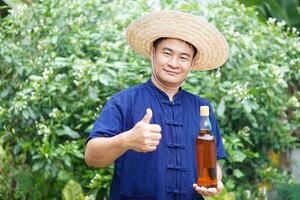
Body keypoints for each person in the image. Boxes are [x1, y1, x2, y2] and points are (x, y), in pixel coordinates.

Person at [85, 10, 229, 200]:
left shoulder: (202, 108)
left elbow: (213, 162)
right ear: (153, 52)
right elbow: (91, 156)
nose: (174, 63)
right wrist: (127, 140)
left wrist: (214, 181)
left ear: (192, 62)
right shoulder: (123, 102)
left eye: (184, 57)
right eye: (167, 53)